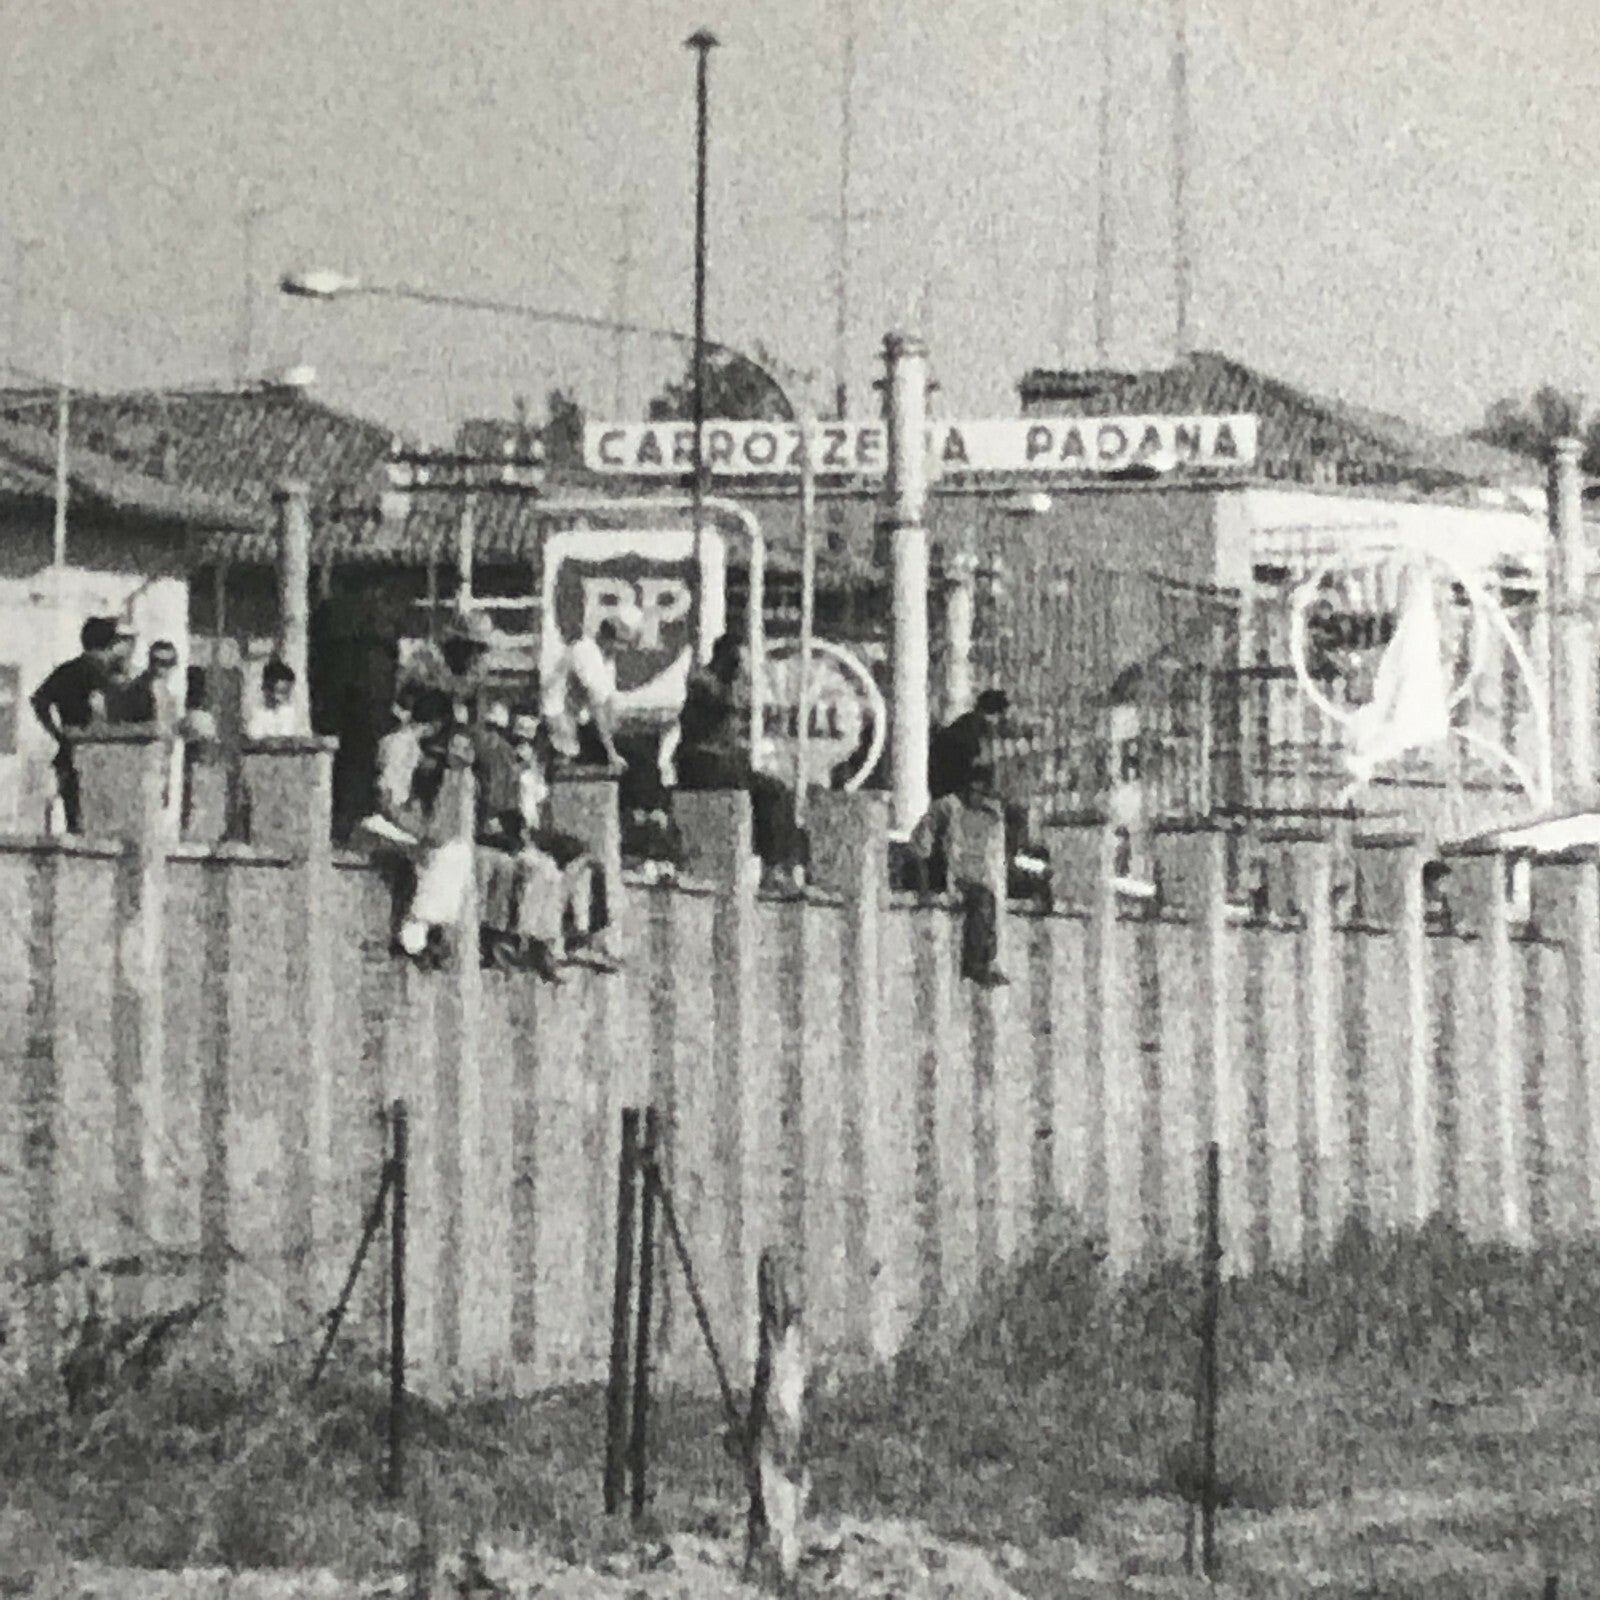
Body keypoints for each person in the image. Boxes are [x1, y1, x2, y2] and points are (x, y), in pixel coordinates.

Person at [477, 711, 617, 979]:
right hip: (514, 838)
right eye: (518, 741)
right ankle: (541, 944)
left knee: (587, 863)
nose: (523, 749)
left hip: (532, 835)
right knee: (547, 871)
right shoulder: (504, 772)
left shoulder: (537, 777)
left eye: (529, 742)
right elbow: (503, 816)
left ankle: (585, 936)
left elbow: (543, 820)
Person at [674, 633, 807, 893]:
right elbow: (719, 712)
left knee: (776, 792)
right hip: (702, 761)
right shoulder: (705, 683)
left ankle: (778, 863)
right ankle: (772, 863)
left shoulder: (725, 685)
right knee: (764, 790)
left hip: (722, 760)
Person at [907, 761, 1010, 988]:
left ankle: (988, 960)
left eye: (982, 792)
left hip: (984, 877)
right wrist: (925, 875)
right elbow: (921, 839)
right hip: (956, 877)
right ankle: (974, 964)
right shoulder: (947, 807)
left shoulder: (991, 815)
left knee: (990, 905)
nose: (977, 797)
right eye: (973, 791)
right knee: (982, 901)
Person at [30, 616, 121, 834]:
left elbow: (39, 701)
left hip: (70, 748)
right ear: (110, 645)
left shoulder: (67, 670)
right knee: (103, 823)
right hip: (102, 753)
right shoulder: (107, 676)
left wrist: (57, 732)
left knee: (75, 819)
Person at [542, 612, 635, 770]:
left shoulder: (608, 660)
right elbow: (597, 706)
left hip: (577, 716)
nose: (623, 650)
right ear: (607, 638)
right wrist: (611, 753)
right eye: (620, 643)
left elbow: (607, 701)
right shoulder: (585, 652)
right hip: (557, 712)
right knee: (565, 760)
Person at [929, 688, 1009, 802]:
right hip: (945, 784)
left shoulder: (966, 721)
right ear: (994, 715)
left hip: (939, 780)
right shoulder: (977, 731)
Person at [107, 639, 183, 730]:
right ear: (149, 663)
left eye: (166, 663)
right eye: (155, 661)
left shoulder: (167, 691)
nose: (159, 668)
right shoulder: (137, 689)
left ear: (174, 665)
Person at [245, 657, 300, 739]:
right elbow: (255, 739)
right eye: (282, 692)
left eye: (288, 691)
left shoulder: (289, 711)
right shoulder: (258, 713)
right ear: (268, 691)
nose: (287, 696)